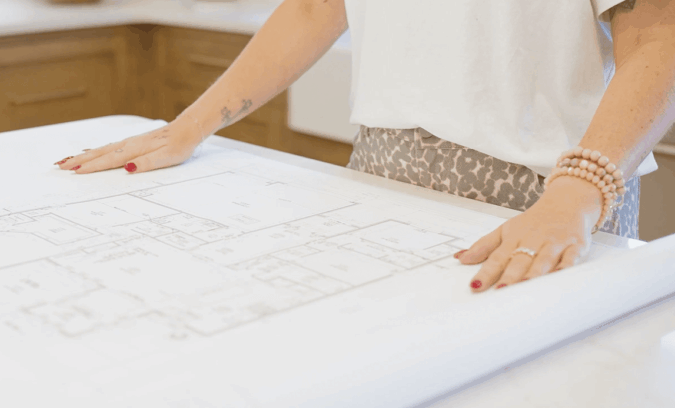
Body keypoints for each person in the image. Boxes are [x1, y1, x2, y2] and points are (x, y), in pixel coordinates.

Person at [54, 0, 675, 292]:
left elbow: (660, 35)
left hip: (549, 197)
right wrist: (189, 126)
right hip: (378, 179)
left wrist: (576, 194)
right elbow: (315, 6)